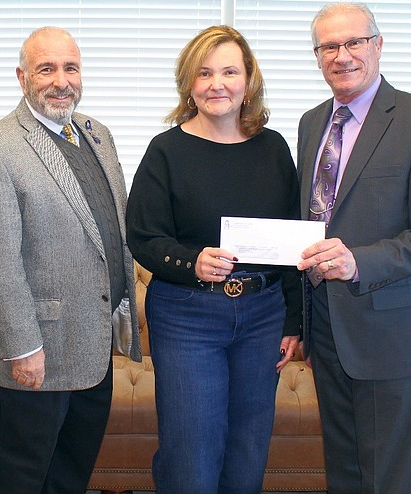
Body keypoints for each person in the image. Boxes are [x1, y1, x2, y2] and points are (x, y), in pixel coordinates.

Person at [0, 26, 142, 494]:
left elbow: (111, 228)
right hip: (38, 349)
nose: (61, 80)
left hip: (93, 343)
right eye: (47, 69)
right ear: (22, 77)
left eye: (71, 67)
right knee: (23, 475)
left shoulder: (96, 133)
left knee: (71, 472)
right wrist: (22, 347)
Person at [296, 2, 411, 493]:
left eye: (354, 42)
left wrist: (357, 262)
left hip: (391, 330)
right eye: (329, 46)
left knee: (385, 478)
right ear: (317, 55)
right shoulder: (312, 123)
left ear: (378, 46)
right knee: (344, 469)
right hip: (326, 324)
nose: (342, 55)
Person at [126, 25, 302, 493]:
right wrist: (191, 262)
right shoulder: (166, 150)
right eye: (204, 73)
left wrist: (293, 322)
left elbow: (289, 241)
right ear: (190, 83)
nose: (216, 83)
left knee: (248, 449)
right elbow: (142, 237)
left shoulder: (275, 148)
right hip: (188, 315)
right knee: (190, 455)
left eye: (229, 71)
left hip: (264, 314)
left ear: (249, 81)